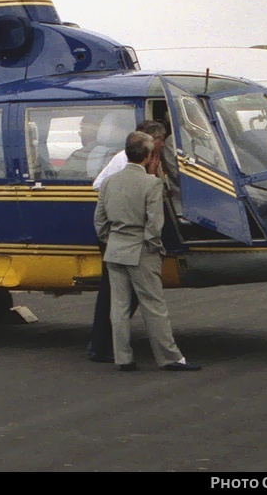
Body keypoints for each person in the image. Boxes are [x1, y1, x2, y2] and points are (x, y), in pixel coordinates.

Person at [94, 130, 200, 372]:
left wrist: (110, 240)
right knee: (154, 306)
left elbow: (99, 221)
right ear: (149, 155)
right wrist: (154, 247)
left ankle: (123, 357)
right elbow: (154, 224)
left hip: (115, 249)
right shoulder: (151, 184)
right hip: (140, 250)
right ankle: (169, 357)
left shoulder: (110, 181)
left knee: (119, 308)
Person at [86, 120, 164, 363]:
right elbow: (100, 187)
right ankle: (101, 345)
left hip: (117, 237)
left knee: (120, 299)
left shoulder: (137, 166)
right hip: (123, 238)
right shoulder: (124, 163)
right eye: (159, 143)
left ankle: (113, 347)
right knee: (116, 296)